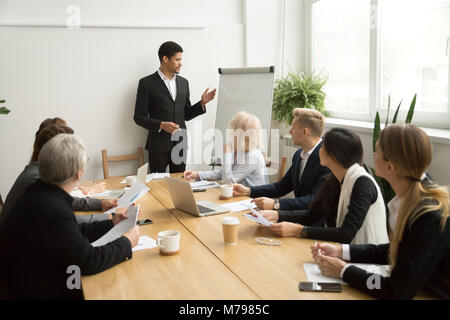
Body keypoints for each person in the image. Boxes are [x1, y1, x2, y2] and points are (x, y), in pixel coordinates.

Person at [311, 124, 450, 299]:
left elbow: (395, 291)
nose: (373, 156)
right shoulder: (418, 192)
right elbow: (397, 250)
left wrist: (344, 271)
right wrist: (341, 252)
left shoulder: (428, 216)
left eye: (377, 152)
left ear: (390, 167)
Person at [0, 134, 140, 299]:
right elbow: (88, 261)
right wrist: (126, 242)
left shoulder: (40, 191)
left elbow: (71, 231)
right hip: (34, 289)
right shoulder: (52, 208)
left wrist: (111, 223)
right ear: (79, 173)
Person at [260, 128, 389, 245]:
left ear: (334, 156)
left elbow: (346, 233)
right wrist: (277, 215)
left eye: (322, 147)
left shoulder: (362, 183)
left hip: (366, 261)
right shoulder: (333, 179)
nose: (319, 150)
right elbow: (312, 214)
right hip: (343, 253)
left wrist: (300, 231)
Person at [2, 124, 117, 224]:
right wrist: (108, 217)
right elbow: (65, 220)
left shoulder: (36, 171)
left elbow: (65, 202)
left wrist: (100, 204)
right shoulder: (37, 178)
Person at [134, 41, 216, 173]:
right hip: (158, 145)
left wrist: (201, 104)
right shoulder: (146, 83)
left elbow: (186, 114)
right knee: (157, 185)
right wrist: (161, 124)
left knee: (179, 184)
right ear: (165, 59)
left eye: (181, 59)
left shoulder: (184, 83)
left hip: (180, 144)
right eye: (177, 59)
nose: (180, 63)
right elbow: (138, 117)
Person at [233, 108, 330, 211]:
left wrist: (276, 204)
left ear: (304, 132)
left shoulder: (326, 158)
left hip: (313, 222)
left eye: (293, 127)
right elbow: (281, 187)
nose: (290, 131)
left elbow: (314, 200)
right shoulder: (298, 155)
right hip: (297, 217)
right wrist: (248, 191)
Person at [184, 111, 268, 186]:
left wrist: (227, 154)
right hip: (239, 197)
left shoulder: (253, 156)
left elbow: (229, 182)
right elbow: (224, 173)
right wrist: (198, 174)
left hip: (252, 200)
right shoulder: (240, 148)